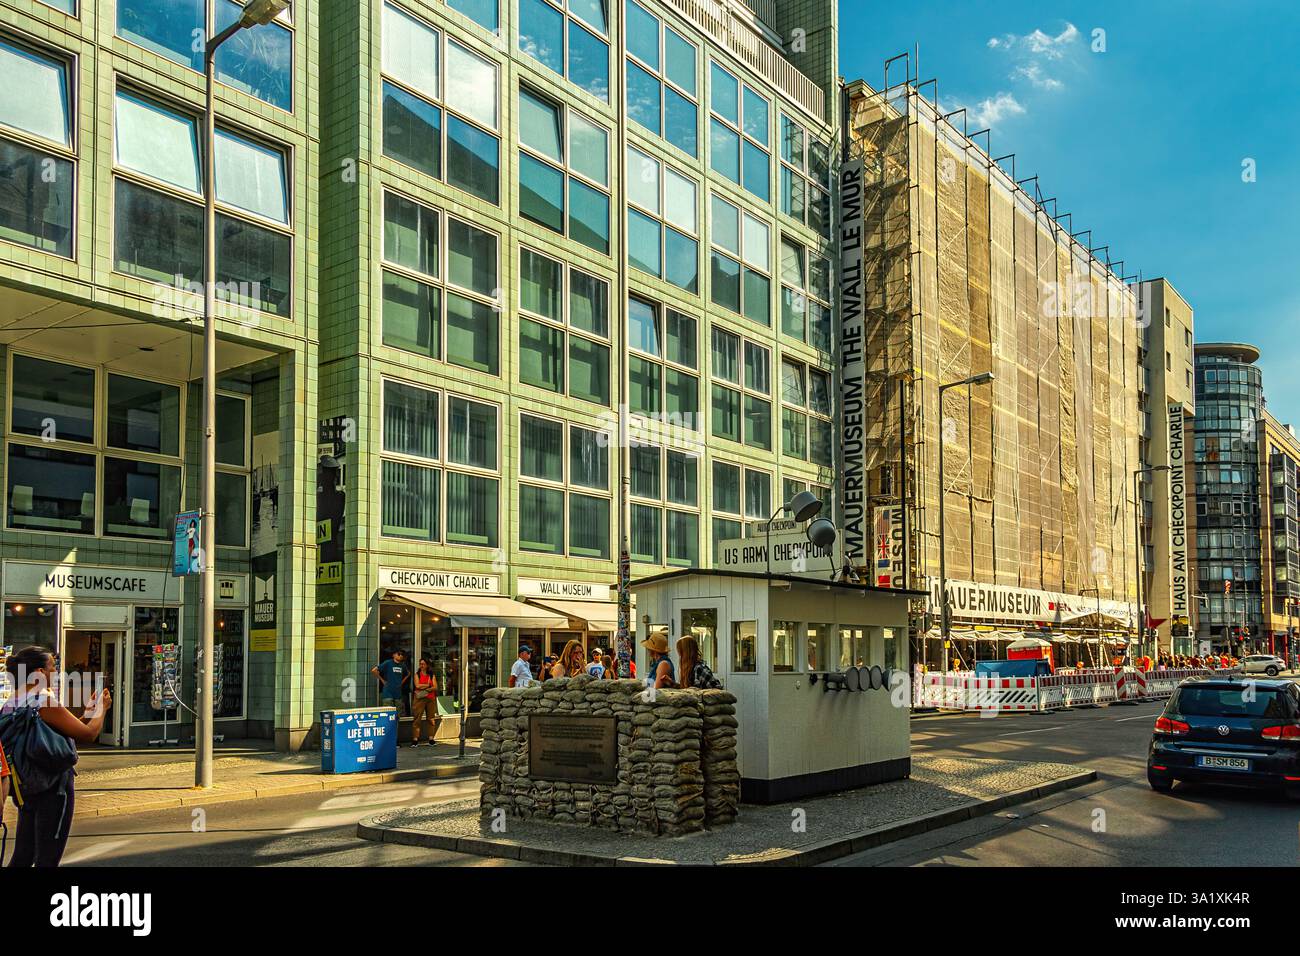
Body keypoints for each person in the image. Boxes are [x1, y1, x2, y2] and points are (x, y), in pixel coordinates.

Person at [1, 646, 110, 868]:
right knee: (48, 857)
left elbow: (52, 734)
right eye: (53, 667)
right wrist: (102, 710)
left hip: (27, 784)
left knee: (23, 854)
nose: (57, 672)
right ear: (40, 672)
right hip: (53, 785)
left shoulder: (11, 703)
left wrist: (88, 712)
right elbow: (88, 734)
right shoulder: (44, 700)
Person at [409, 658, 438, 747]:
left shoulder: (431, 674)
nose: (421, 666)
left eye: (423, 664)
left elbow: (435, 687)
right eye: (420, 664)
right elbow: (417, 685)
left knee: (431, 719)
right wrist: (429, 686)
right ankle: (415, 739)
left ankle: (431, 739)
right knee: (417, 718)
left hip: (430, 698)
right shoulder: (417, 674)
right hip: (419, 699)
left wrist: (424, 687)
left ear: (427, 665)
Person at [371, 649, 409, 714]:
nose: (400, 656)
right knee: (388, 713)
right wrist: (382, 680)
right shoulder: (388, 663)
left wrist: (402, 682)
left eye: (402, 654)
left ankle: (396, 724)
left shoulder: (403, 665)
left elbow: (408, 673)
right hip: (388, 692)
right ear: (393, 655)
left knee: (398, 714)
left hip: (398, 693)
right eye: (399, 654)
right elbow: (374, 670)